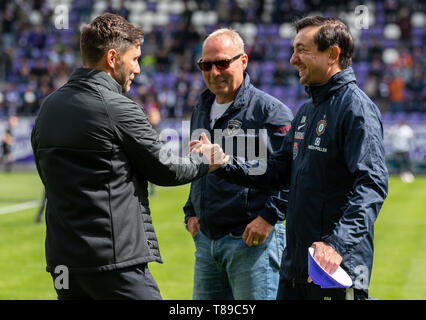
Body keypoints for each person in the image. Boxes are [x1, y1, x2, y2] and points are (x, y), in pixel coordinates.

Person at [31, 13, 226, 300]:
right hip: (113, 260)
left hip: (63, 263)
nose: (137, 69)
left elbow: (43, 170)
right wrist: (207, 160)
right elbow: (166, 169)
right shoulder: (117, 107)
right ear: (112, 58)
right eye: (134, 59)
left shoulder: (49, 106)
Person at [194, 16, 389, 300]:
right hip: (295, 267)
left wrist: (336, 245)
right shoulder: (306, 111)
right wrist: (224, 164)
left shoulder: (356, 109)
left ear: (332, 54)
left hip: (333, 267)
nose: (292, 59)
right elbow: (277, 172)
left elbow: (371, 185)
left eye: (301, 49)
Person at [184, 28, 293, 300]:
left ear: (243, 61)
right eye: (206, 65)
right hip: (207, 241)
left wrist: (269, 218)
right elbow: (200, 163)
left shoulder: (270, 111)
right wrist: (190, 210)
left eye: (222, 63)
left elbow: (292, 173)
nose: (214, 72)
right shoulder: (201, 106)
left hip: (251, 242)